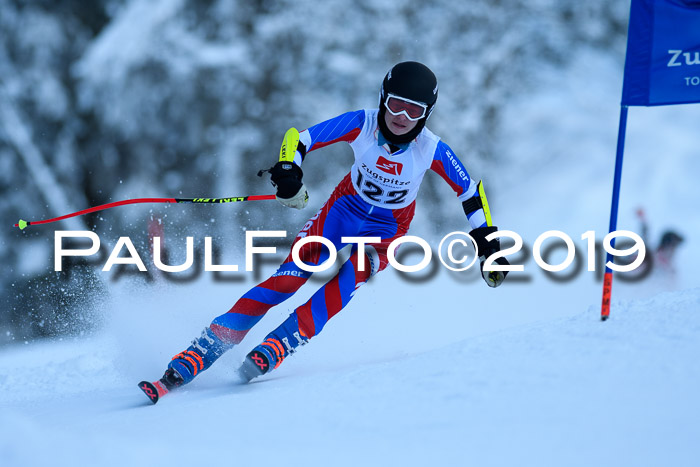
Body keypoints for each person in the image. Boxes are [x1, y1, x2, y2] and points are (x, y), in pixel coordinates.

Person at [140, 61, 509, 402]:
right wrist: (289, 171)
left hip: (385, 231)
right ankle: (200, 352)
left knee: (345, 284)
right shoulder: (362, 123)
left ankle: (279, 344)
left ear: (426, 114)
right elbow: (299, 138)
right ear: (383, 97)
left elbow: (469, 190)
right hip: (341, 212)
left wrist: (486, 241)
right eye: (396, 104)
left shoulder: (430, 149)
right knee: (286, 281)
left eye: (414, 110)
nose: (401, 117)